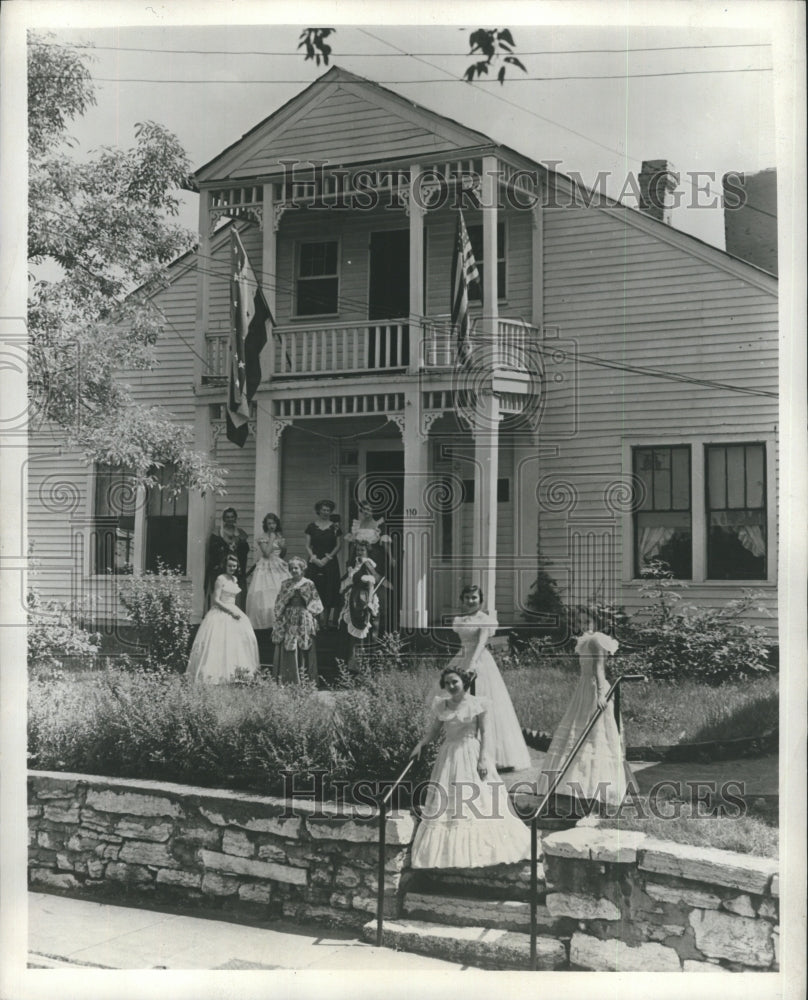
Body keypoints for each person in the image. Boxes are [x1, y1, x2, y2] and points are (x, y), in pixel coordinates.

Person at [409, 666, 532, 869]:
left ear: (464, 682)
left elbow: (486, 733)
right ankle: (450, 854)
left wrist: (484, 759)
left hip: (471, 752)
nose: (450, 686)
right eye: (447, 683)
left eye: (454, 682)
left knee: (477, 799)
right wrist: (421, 745)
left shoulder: (477, 704)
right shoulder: (443, 706)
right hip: (448, 756)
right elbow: (433, 731)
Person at [536, 619, 635, 813]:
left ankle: (595, 789)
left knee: (597, 734)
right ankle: (576, 787)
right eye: (580, 621)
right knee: (584, 734)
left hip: (591, 689)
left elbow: (599, 668)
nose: (583, 625)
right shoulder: (587, 641)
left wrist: (600, 693)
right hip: (585, 689)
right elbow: (593, 668)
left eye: (587, 621)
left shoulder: (596, 640)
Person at [444, 585, 531, 772]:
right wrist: (462, 662)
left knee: (482, 705)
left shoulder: (485, 620)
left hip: (479, 661)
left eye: (474, 597)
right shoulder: (459, 620)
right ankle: (460, 749)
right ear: (462, 599)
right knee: (457, 702)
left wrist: (472, 664)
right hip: (462, 657)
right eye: (467, 597)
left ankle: (489, 755)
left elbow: (482, 642)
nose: (470, 601)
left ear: (480, 600)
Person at [187, 553, 259, 683]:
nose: (232, 568)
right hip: (221, 611)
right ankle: (216, 675)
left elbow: (233, 599)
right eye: (230, 566)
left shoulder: (234, 579)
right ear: (225, 566)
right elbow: (216, 600)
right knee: (218, 643)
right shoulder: (220, 579)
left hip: (233, 610)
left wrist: (235, 612)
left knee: (238, 642)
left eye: (235, 566)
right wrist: (230, 612)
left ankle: (237, 674)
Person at [346, 498, 394, 633]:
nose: (367, 512)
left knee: (375, 585)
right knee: (357, 583)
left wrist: (390, 558)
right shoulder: (356, 525)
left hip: (374, 556)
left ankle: (376, 617)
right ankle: (358, 613)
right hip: (359, 556)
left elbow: (385, 542)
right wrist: (350, 562)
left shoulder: (378, 524)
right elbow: (353, 545)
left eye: (369, 510)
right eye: (364, 509)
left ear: (373, 511)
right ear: (361, 511)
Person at [273, 556, 323, 684]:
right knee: (289, 644)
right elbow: (279, 601)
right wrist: (287, 599)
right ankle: (289, 678)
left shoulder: (309, 583)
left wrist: (309, 610)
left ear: (302, 569)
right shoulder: (285, 583)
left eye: (296, 568)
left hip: (303, 617)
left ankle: (305, 678)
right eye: (292, 568)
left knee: (303, 644)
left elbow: (316, 601)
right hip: (289, 618)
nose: (294, 570)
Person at [338, 541, 382, 670]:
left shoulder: (367, 564)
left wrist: (368, 602)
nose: (360, 552)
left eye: (362, 550)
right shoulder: (354, 564)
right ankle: (350, 664)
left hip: (362, 599)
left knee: (362, 628)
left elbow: (371, 584)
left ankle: (362, 666)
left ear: (367, 552)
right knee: (349, 628)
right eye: (358, 550)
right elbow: (347, 582)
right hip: (353, 599)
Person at [246, 513, 290, 630]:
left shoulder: (279, 535)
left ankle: (279, 620)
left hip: (278, 565)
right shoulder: (263, 537)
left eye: (274, 523)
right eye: (269, 523)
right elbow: (266, 553)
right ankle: (266, 621)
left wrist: (283, 546)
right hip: (266, 565)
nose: (272, 526)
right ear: (265, 525)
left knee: (279, 590)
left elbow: (282, 554)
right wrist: (271, 539)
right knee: (266, 593)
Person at [305, 500, 342, 628]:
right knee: (315, 589)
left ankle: (325, 622)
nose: (325, 512)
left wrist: (328, 558)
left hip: (329, 561)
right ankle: (314, 621)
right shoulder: (311, 527)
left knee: (329, 589)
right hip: (314, 561)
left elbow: (338, 545)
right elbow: (307, 545)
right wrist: (313, 558)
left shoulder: (335, 527)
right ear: (319, 511)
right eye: (323, 510)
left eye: (328, 510)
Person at [206, 508, 250, 611]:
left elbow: (245, 550)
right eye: (227, 517)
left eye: (232, 517)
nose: (230, 519)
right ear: (224, 519)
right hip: (222, 568)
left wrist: (238, 546)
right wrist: (225, 548)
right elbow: (213, 550)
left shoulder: (240, 533)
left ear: (235, 518)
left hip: (236, 568)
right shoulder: (218, 532)